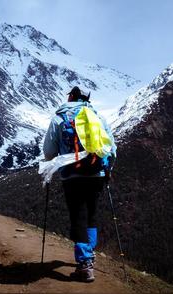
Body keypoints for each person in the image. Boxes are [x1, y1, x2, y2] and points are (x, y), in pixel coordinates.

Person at [43, 86, 116, 282]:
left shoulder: (59, 118)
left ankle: (85, 265)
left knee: (78, 216)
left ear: (71, 96)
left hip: (72, 175)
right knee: (90, 215)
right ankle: (88, 257)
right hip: (96, 174)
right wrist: (107, 169)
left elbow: (49, 152)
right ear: (86, 99)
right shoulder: (97, 117)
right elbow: (111, 148)